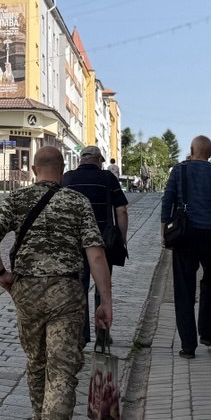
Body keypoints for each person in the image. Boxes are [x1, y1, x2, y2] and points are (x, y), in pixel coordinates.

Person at [0, 145, 113, 420]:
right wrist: (106, 301)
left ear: (35, 168)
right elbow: (96, 254)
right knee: (63, 372)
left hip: (26, 292)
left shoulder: (17, 199)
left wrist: (0, 274)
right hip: (66, 293)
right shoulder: (76, 202)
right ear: (62, 168)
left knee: (37, 363)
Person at [161, 135, 211, 358]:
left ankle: (188, 346)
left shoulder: (179, 170)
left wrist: (164, 231)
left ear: (191, 150)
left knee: (184, 289)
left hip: (185, 235)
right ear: (210, 154)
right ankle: (207, 332)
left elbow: (168, 201)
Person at [62, 145, 129, 345]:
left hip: (74, 242)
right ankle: (102, 335)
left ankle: (81, 337)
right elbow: (122, 211)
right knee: (102, 288)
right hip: (103, 242)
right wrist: (122, 238)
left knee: (79, 288)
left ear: (81, 159)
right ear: (99, 160)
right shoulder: (108, 178)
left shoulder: (67, 179)